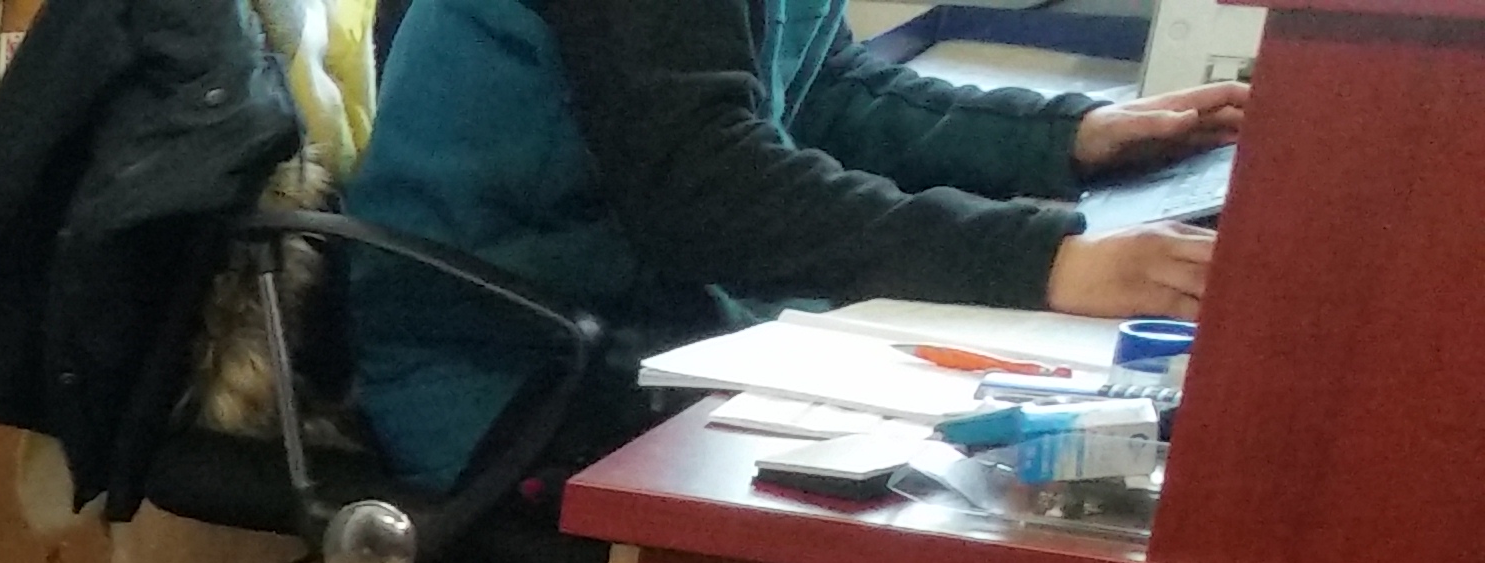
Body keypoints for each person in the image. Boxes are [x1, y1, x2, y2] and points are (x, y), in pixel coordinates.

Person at [341, 0, 1244, 487]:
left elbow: (821, 91)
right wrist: (1040, 261)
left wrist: (1065, 136)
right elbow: (708, 191)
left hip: (651, 326)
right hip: (513, 368)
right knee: (929, 509)